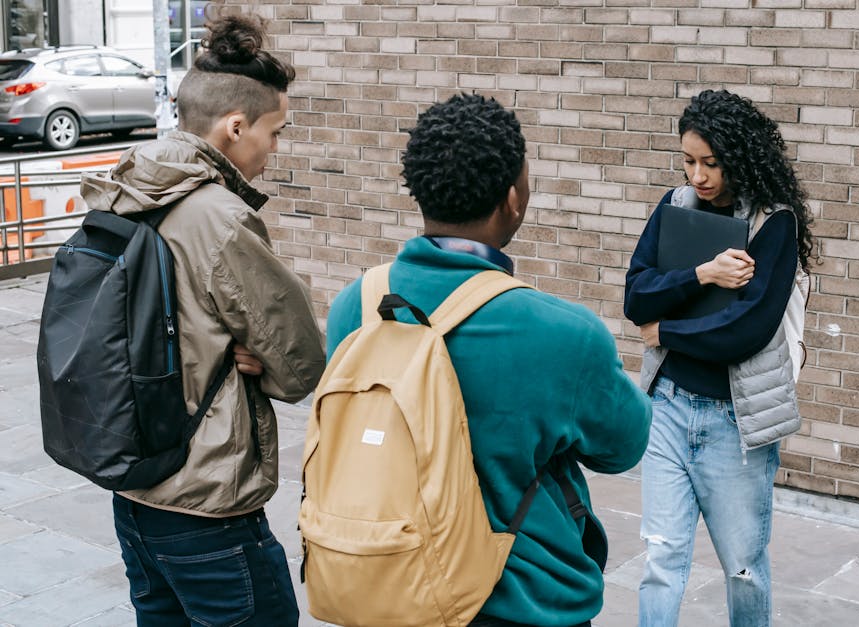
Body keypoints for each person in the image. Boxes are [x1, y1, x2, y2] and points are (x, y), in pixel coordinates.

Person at [325, 93, 652, 627]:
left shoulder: (357, 305)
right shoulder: (565, 333)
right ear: (512, 198)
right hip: (522, 601)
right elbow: (623, 447)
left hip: (388, 588)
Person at [80, 14, 326, 626]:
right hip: (207, 507)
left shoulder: (123, 187)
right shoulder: (218, 216)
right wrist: (258, 358)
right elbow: (300, 364)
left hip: (133, 490)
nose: (275, 147)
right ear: (235, 126)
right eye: (275, 132)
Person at [623, 89, 815, 627]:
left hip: (736, 421)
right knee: (661, 558)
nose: (698, 176)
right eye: (688, 161)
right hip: (667, 408)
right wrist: (702, 275)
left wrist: (664, 331)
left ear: (742, 157)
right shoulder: (675, 206)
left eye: (711, 162)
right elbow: (635, 295)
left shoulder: (773, 224)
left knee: (743, 567)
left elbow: (745, 330)